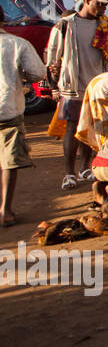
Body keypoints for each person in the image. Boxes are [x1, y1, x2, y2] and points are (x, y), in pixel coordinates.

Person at [45, 0, 108, 189]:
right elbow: (52, 56)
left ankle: (85, 167)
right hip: (73, 85)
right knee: (72, 128)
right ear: (86, 1)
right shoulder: (66, 25)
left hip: (96, 85)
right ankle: (69, 173)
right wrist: (53, 85)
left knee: (92, 128)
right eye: (100, 4)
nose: (103, 9)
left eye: (106, 5)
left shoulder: (104, 26)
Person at [0, 24, 45, 226]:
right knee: (9, 162)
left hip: (9, 109)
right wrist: (21, 78)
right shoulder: (17, 44)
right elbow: (37, 73)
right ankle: (5, 211)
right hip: (8, 110)